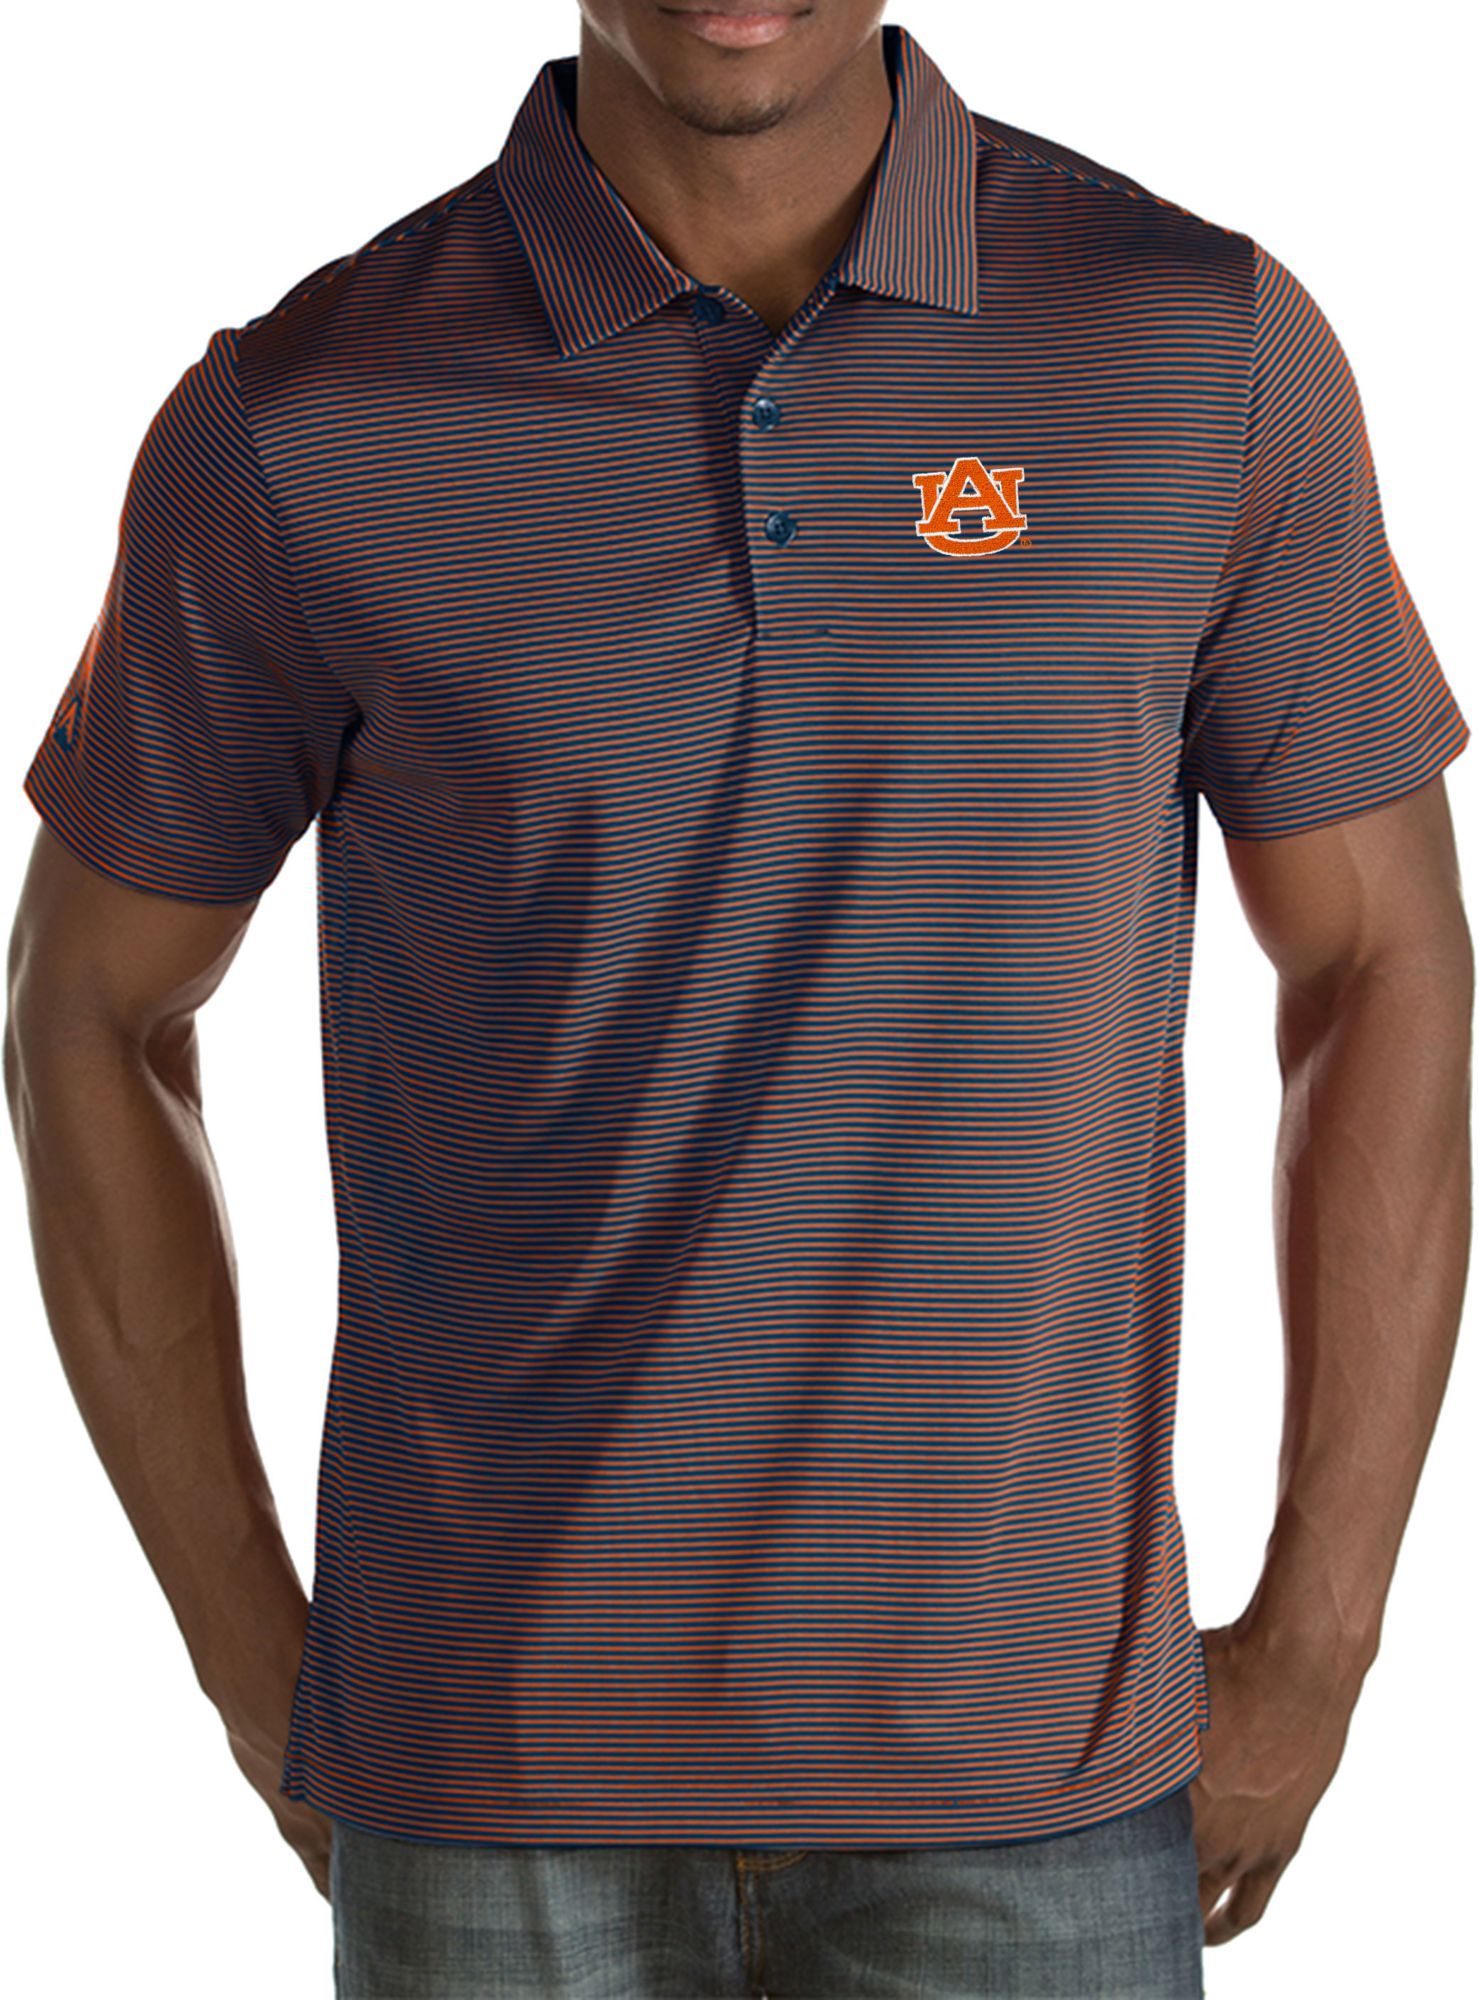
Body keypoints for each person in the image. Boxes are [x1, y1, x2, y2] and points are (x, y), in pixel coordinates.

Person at [7, 3, 1470, 1995]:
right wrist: (251, 1657)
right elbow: (85, 1012)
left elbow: (1381, 959)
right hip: (487, 1786)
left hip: (1029, 1781)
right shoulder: (304, 420)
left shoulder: (1191, 352)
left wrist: (1322, 1639)